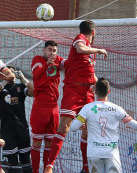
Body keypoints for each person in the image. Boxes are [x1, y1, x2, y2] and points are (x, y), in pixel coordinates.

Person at [46, 20, 108, 173]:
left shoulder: (91, 53)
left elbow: (90, 72)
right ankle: (49, 166)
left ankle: (85, 168)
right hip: (73, 91)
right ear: (93, 33)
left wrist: (98, 84)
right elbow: (80, 49)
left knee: (88, 130)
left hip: (87, 93)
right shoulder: (80, 39)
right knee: (64, 127)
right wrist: (99, 50)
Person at [70, 77, 137, 173]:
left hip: (94, 153)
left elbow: (73, 128)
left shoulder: (87, 108)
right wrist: (126, 121)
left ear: (95, 91)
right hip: (111, 153)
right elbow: (136, 126)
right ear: (109, 91)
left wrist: (81, 124)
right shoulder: (117, 109)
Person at [30, 40, 66, 172]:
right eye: (49, 50)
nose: (52, 53)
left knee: (50, 142)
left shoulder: (58, 60)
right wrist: (47, 64)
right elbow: (36, 75)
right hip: (40, 106)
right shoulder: (37, 60)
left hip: (54, 107)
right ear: (44, 50)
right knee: (37, 143)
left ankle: (47, 169)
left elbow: (68, 63)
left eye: (54, 50)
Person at [0, 66, 34, 173]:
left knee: (25, 160)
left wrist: (23, 79)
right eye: (7, 73)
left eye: (12, 72)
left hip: (22, 129)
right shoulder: (0, 88)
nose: (10, 74)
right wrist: (3, 81)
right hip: (7, 131)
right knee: (12, 161)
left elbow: (34, 92)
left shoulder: (20, 87)